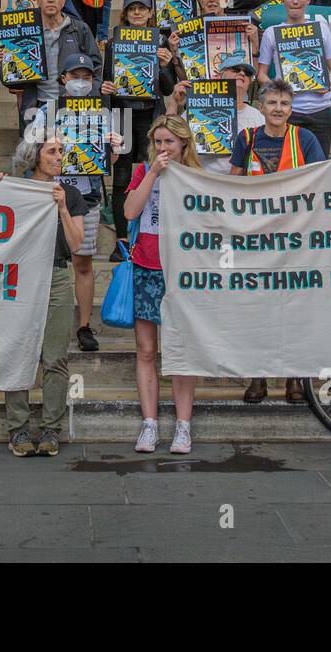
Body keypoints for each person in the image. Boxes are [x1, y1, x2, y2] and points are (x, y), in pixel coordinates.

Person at [228, 77, 331, 404]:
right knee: (259, 309)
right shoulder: (246, 138)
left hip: (296, 237)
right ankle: (259, 377)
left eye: (285, 104)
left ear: (291, 109)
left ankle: (296, 377)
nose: (278, 109)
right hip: (256, 238)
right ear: (261, 107)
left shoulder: (304, 138)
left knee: (295, 308)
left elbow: (321, 178)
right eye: (272, 103)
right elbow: (233, 186)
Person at [0, 135, 86, 456]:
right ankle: (18, 429)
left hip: (57, 274)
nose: (59, 157)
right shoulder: (16, 189)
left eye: (61, 152)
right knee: (17, 351)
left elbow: (75, 244)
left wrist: (61, 207)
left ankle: (50, 429)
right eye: (52, 151)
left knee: (55, 356)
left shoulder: (70, 194)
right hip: (21, 275)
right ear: (35, 156)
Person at [124, 115, 202, 454]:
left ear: (184, 144)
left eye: (169, 142)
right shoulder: (144, 172)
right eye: (158, 142)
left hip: (182, 271)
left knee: (181, 351)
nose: (163, 148)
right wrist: (154, 172)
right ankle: (150, 423)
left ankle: (183, 426)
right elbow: (129, 211)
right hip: (146, 264)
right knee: (146, 350)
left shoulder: (197, 177)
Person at [26, 53, 113, 353]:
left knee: (83, 261)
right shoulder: (47, 110)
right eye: (74, 75)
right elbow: (29, 147)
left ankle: (84, 325)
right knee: (44, 261)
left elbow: (112, 156)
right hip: (47, 195)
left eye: (86, 76)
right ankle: (41, 321)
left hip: (85, 195)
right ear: (63, 79)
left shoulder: (102, 111)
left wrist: (112, 148)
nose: (80, 81)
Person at [103, 0, 176, 258]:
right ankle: (121, 240)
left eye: (141, 9)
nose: (137, 13)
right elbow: (107, 84)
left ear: (150, 14)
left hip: (150, 115)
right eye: (132, 9)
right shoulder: (114, 44)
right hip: (123, 115)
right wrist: (106, 88)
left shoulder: (161, 41)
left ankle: (153, 235)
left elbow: (167, 88)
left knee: (154, 174)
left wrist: (166, 65)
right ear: (125, 14)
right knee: (121, 178)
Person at [0, 0, 100, 127]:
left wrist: (89, 98)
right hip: (36, 106)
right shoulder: (24, 31)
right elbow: (13, 81)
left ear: (64, 1)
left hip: (73, 106)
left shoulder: (80, 29)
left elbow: (97, 68)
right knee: (36, 150)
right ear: (37, 0)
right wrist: (0, 66)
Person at [256, 0, 331, 156]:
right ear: (282, 0)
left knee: (318, 164)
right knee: (288, 164)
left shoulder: (321, 28)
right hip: (289, 111)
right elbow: (261, 74)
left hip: (321, 110)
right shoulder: (272, 33)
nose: (295, 1)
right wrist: (279, 92)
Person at [165, 55, 264, 176]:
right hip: (201, 181)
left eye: (247, 73)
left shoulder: (257, 116)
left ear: (249, 82)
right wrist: (174, 102)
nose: (242, 73)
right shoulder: (198, 108)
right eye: (235, 69)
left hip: (239, 184)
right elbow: (167, 135)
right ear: (219, 76)